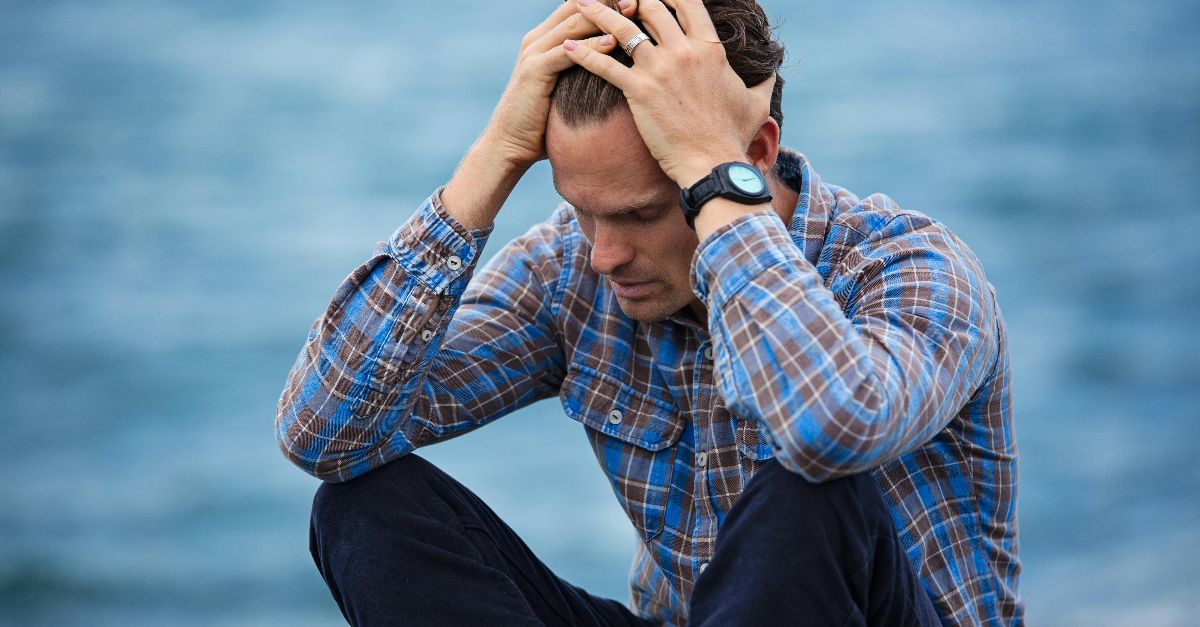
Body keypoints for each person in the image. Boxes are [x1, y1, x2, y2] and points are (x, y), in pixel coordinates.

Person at [275, 0, 1022, 624]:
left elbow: (828, 428)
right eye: (582, 211)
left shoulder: (912, 269)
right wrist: (496, 154)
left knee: (809, 489)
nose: (603, 253)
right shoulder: (573, 267)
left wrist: (708, 172)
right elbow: (324, 433)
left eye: (639, 213)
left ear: (752, 155)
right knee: (362, 507)